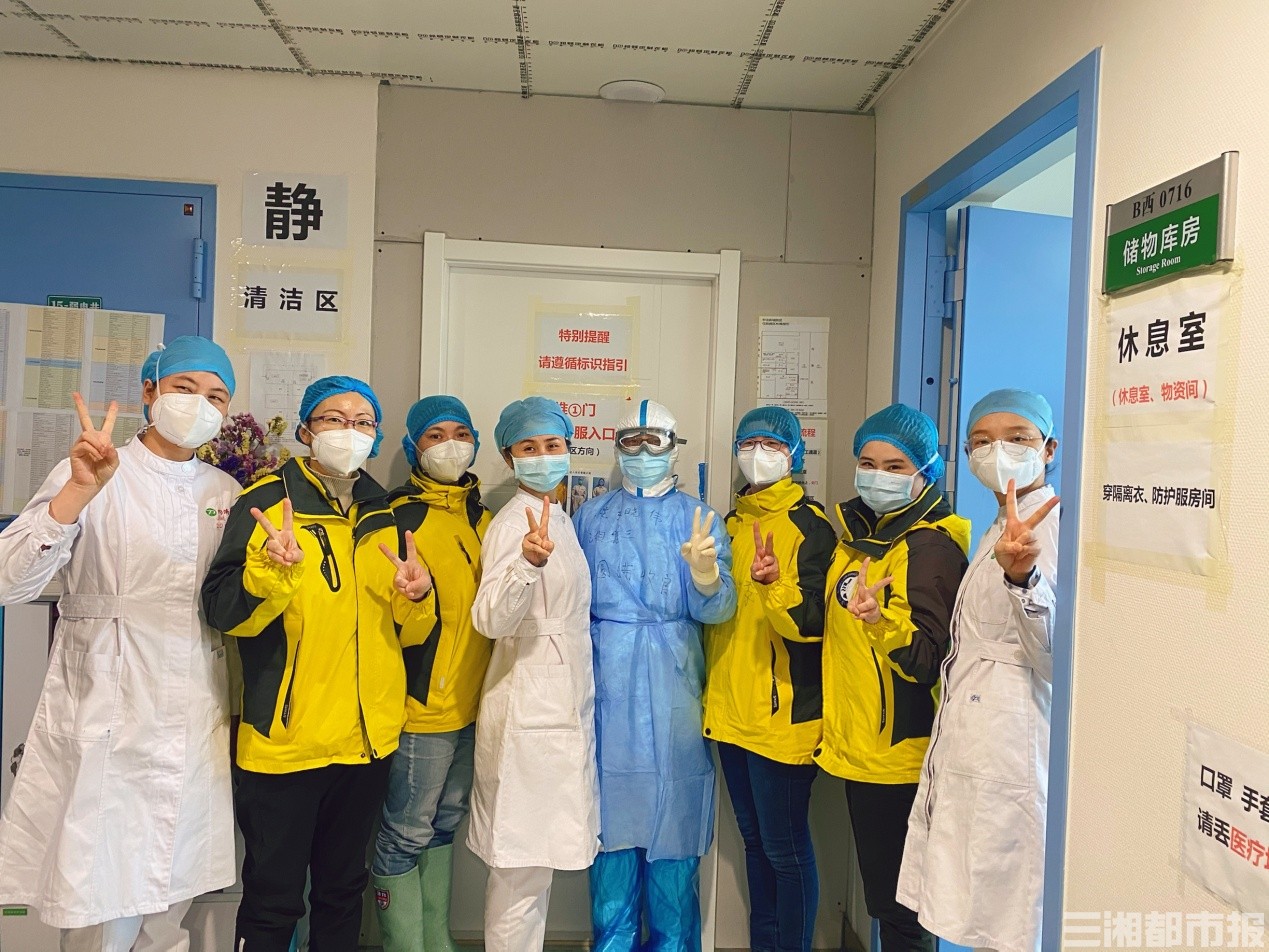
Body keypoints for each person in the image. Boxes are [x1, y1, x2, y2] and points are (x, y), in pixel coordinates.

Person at [0, 337, 239, 951]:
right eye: (185, 388)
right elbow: (9, 580)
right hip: (109, 697)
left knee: (170, 903)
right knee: (97, 898)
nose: (200, 404)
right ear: (149, 391)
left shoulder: (224, 492)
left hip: (193, 709)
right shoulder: (93, 467)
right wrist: (77, 493)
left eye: (217, 396)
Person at [202, 375, 434, 952]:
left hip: (366, 741)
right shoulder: (264, 504)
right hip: (287, 741)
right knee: (273, 897)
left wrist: (418, 598)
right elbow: (224, 611)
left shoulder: (389, 512)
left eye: (362, 422)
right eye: (333, 419)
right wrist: (270, 573)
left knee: (343, 892)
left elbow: (409, 634)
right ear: (306, 430)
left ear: (377, 435)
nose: (348, 431)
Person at [897, 390, 1060, 952]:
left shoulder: (1051, 530)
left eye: (1018, 438)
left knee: (1008, 918)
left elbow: (1056, 659)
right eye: (982, 441)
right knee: (980, 910)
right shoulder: (996, 527)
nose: (999, 451)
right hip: (976, 736)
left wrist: (1023, 580)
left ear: (1049, 448)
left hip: (1012, 744)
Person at [573, 399, 737, 952]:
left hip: (675, 682)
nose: (643, 451)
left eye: (655, 440)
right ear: (617, 447)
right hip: (607, 679)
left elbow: (718, 611)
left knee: (675, 837)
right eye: (631, 440)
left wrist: (707, 578)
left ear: (674, 447)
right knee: (611, 838)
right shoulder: (590, 517)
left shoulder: (701, 519)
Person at [815, 404, 970, 952]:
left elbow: (930, 658)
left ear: (926, 472)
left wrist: (883, 624)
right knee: (886, 900)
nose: (878, 476)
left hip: (899, 756)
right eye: (868, 463)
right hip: (861, 747)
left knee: (901, 909)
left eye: (895, 466)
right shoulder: (862, 535)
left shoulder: (929, 548)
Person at [468, 396, 600, 952]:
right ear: (509, 456)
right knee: (519, 869)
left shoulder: (558, 516)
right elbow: (489, 619)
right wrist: (527, 563)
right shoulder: (513, 524)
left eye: (553, 444)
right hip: (527, 705)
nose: (544, 455)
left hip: (559, 700)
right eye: (529, 447)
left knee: (535, 865)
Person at [703, 406, 836, 952]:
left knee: (785, 850)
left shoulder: (811, 526)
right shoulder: (728, 524)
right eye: (748, 442)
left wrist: (775, 585)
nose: (758, 453)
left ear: (794, 454)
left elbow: (814, 625)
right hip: (731, 713)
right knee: (755, 844)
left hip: (783, 719)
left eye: (772, 444)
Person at [371, 395, 492, 952]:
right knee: (405, 832)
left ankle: (436, 940)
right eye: (435, 436)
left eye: (461, 433)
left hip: (475, 706)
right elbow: (388, 622)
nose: (451, 445)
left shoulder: (484, 518)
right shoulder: (400, 516)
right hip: (422, 709)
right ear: (412, 447)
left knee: (446, 823)